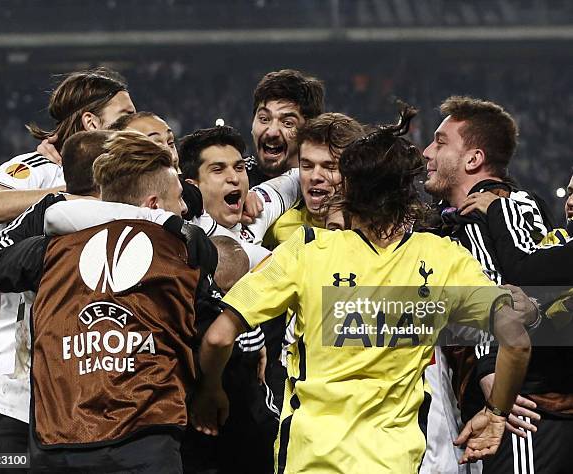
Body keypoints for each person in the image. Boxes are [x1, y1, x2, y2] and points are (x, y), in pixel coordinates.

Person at [191, 104, 533, 473]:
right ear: (407, 193)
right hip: (394, 462)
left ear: (349, 190)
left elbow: (218, 338)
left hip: (310, 459)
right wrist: (497, 413)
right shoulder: (441, 258)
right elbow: (516, 339)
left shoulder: (306, 251)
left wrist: (210, 390)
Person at [0, 131, 214, 473]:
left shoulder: (54, 249)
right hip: (147, 441)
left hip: (58, 439)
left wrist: (51, 208)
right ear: (152, 204)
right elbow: (214, 333)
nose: (184, 208)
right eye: (179, 198)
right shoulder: (180, 252)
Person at [0, 68, 135, 460]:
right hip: (0, 362)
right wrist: (69, 194)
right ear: (92, 121)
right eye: (123, 117)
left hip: (66, 370)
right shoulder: (33, 168)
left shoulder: (121, 186)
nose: (133, 124)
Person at [422, 96, 569, 473]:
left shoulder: (500, 206)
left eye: (440, 142)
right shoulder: (457, 220)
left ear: (473, 159)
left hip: (520, 407)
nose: (426, 152)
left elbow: (502, 290)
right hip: (488, 408)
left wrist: (492, 370)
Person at [264, 112, 364, 246]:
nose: (315, 177)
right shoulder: (279, 228)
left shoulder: (381, 231)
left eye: (329, 167)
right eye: (307, 166)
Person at [247, 69, 324, 187]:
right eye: (264, 119)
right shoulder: (234, 179)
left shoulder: (323, 187)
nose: (272, 132)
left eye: (287, 123)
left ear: (309, 132)